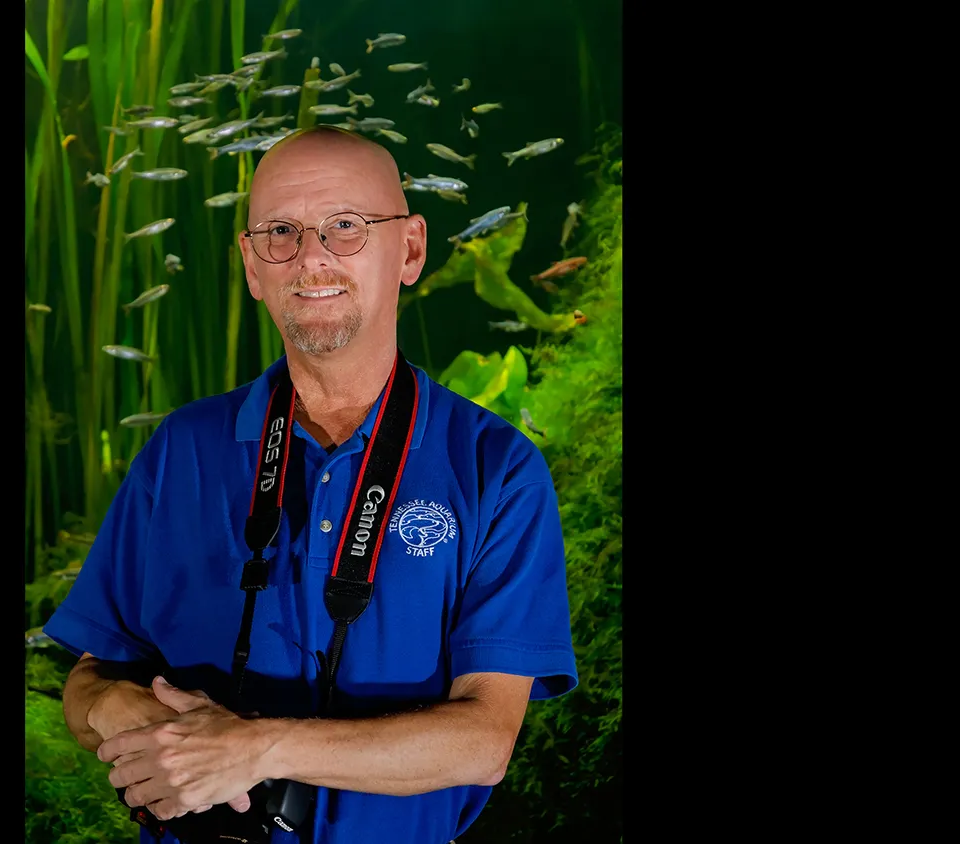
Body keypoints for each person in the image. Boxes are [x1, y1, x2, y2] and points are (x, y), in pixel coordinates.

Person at [41, 124, 578, 844]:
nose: (311, 257)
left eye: (346, 226)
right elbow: (88, 681)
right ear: (251, 264)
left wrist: (255, 748)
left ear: (410, 249)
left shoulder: (496, 468)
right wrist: (119, 712)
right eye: (281, 232)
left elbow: (483, 742)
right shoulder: (180, 449)